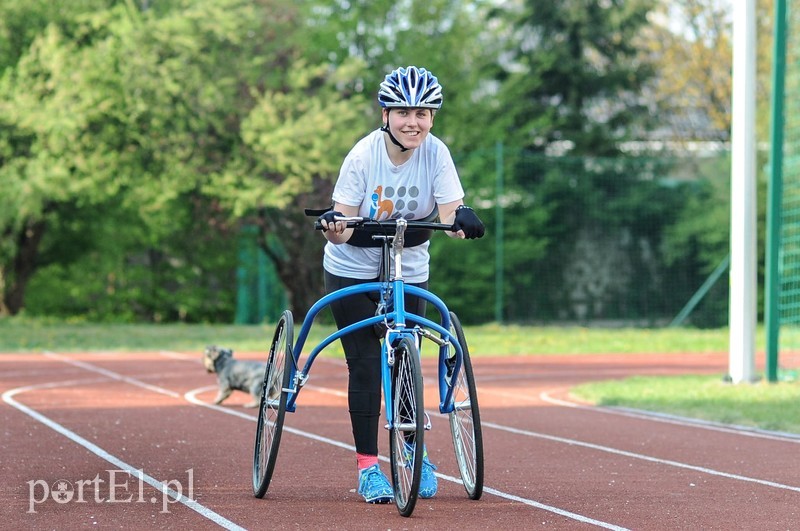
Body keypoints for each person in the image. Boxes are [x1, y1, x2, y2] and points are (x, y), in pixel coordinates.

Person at [317, 65, 485, 504]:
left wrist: (461, 220)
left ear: (432, 117)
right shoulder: (362, 156)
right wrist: (333, 226)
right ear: (386, 114)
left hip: (408, 264)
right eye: (404, 111)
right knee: (367, 365)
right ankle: (369, 469)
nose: (414, 121)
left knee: (406, 358)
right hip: (352, 265)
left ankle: (414, 451)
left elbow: (450, 211)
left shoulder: (436, 153)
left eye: (423, 113)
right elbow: (342, 221)